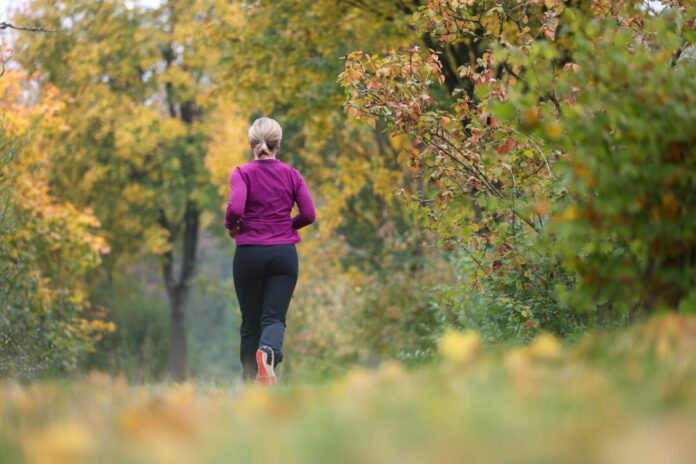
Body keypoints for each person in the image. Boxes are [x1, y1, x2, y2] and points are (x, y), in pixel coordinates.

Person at [225, 116, 316, 385]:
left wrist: (232, 226)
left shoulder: (242, 173)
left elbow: (236, 208)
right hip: (283, 255)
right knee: (274, 318)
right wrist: (286, 225)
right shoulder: (292, 175)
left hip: (249, 254)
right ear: (279, 143)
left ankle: (251, 384)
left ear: (251, 142)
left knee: (250, 322)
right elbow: (309, 214)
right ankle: (268, 352)